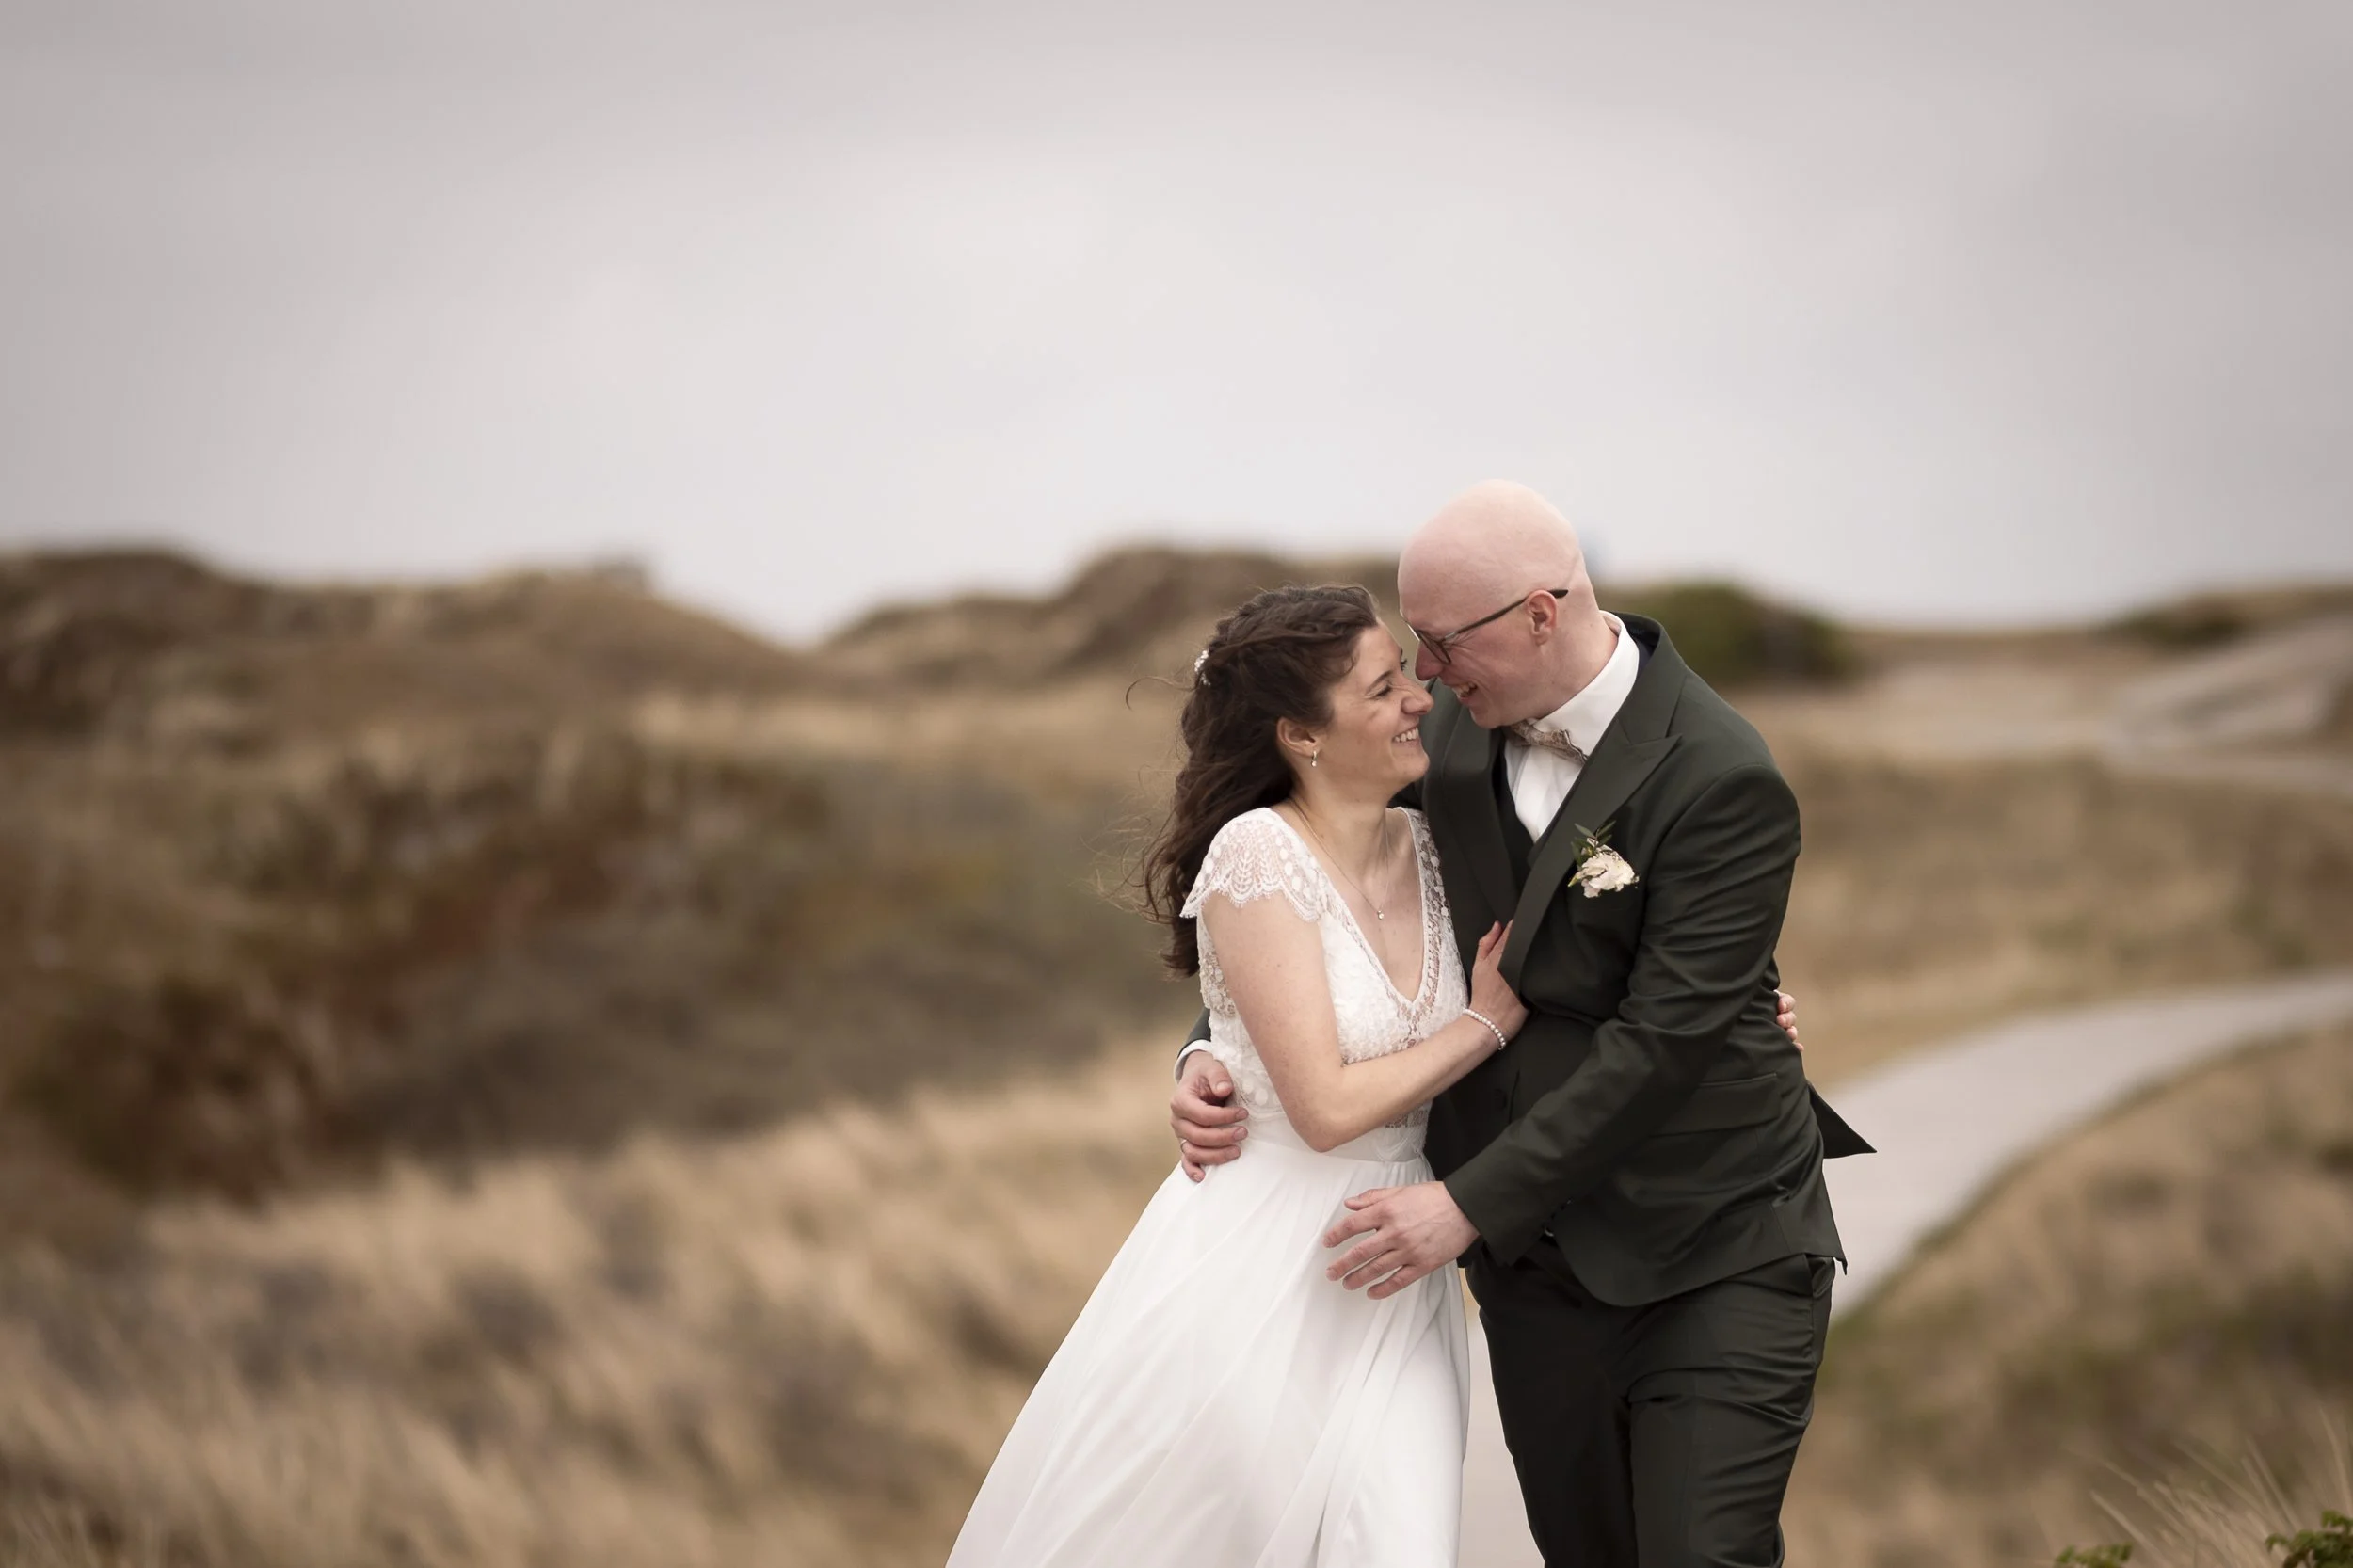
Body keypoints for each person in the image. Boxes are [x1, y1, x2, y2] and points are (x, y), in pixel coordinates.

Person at [1173, 481, 1871, 1568]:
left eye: (1444, 644)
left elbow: (1662, 1041)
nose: (1427, 676)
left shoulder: (1722, 775)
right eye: (1414, 648)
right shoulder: (1434, 739)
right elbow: (1313, 915)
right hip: (1538, 1277)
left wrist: (1462, 1204)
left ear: (1540, 616)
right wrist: (1214, 1055)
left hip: (1714, 1241)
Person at [947, 584, 1521, 1567]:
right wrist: (1481, 1023)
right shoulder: (1257, 854)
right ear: (1302, 734)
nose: (1420, 697)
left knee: (1400, 1540)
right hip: (1260, 1265)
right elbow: (1326, 1104)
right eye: (1383, 687)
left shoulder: (1435, 845)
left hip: (1396, 1260)